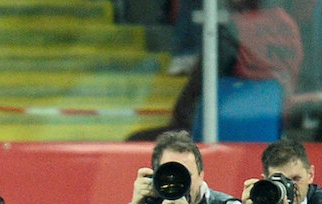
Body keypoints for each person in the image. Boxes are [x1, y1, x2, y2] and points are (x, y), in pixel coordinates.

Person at [128, 0, 303, 141]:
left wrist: (180, 118)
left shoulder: (234, 28)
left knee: (136, 140)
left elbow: (196, 93)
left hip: (226, 127)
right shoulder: (288, 24)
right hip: (279, 123)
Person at [113, 130, 241, 204]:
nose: (179, 183)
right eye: (170, 175)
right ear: (156, 176)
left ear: (201, 175)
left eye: (186, 174)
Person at [225, 138, 322, 204]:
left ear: (310, 175)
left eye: (295, 179)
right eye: (280, 181)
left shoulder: (319, 203)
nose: (289, 186)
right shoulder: (260, 203)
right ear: (265, 180)